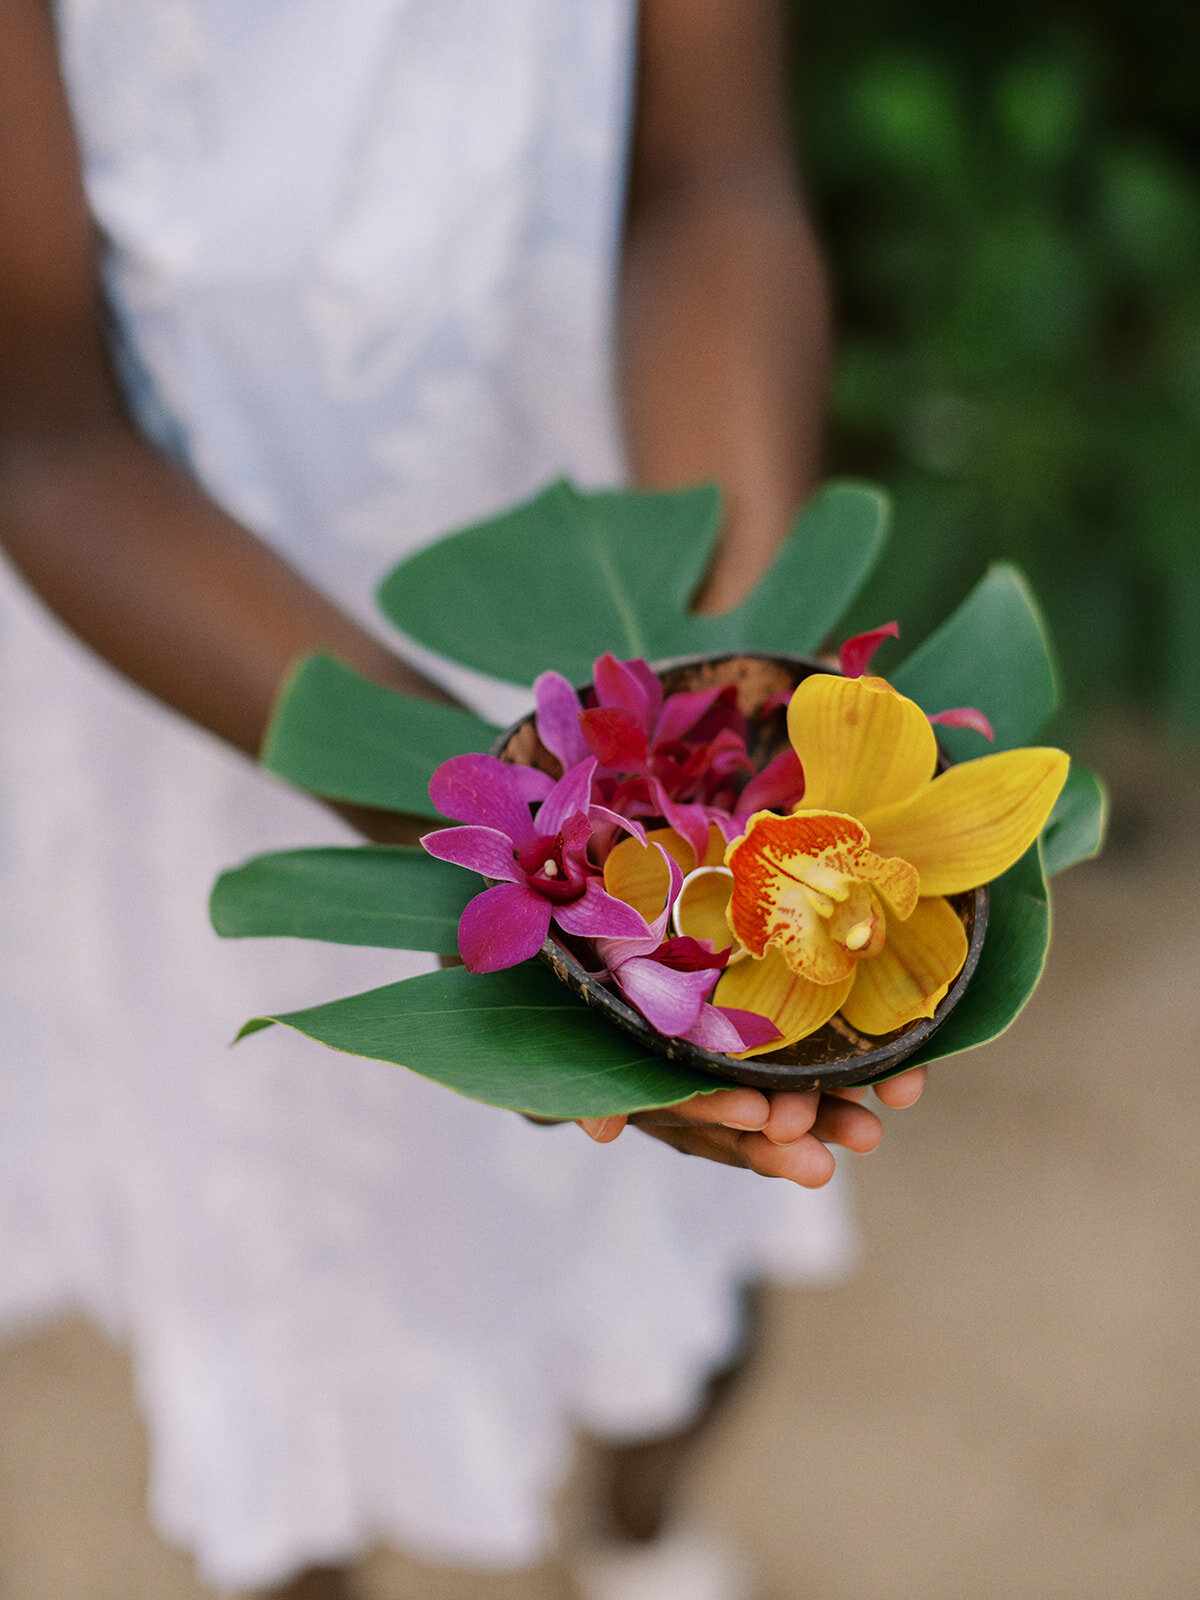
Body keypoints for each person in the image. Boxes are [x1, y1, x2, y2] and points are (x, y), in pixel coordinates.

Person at [0, 1, 926, 1595]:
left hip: (596, 515)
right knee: (300, 1289)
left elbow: (711, 180)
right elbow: (46, 429)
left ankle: (643, 1530)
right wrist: (523, 834)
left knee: (686, 1283)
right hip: (207, 636)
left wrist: (740, 703)